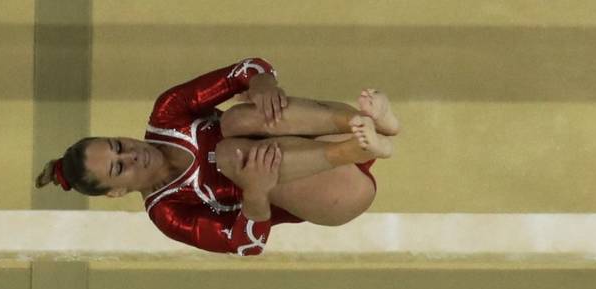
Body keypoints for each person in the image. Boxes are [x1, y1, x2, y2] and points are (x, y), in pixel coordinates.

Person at [35, 58, 400, 255]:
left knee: (238, 117)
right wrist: (256, 192)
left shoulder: (168, 114)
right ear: (116, 192)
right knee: (230, 155)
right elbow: (245, 245)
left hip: (322, 131)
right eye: (119, 168)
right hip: (336, 193)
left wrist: (263, 87)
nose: (132, 155)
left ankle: (365, 124)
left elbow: (245, 70)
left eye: (118, 145)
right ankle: (358, 146)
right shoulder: (168, 212)